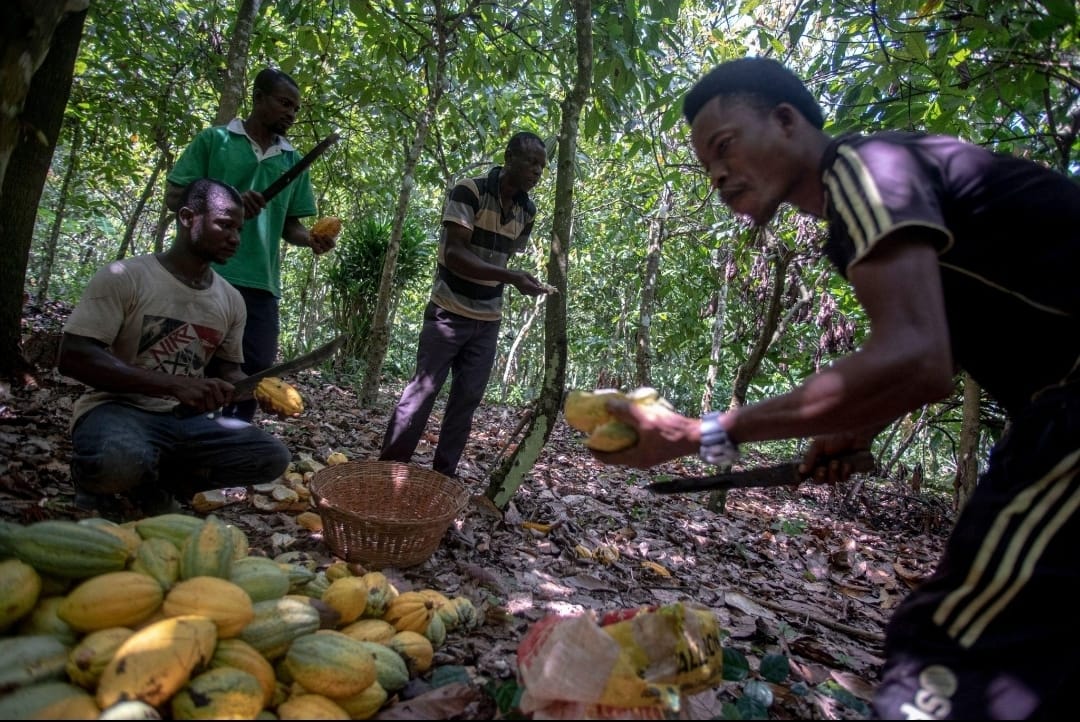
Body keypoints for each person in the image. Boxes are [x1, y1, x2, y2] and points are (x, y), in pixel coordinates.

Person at [592, 57, 1079, 719]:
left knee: (952, 651)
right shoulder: (865, 212)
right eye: (707, 166)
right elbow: (941, 345)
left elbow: (916, 356)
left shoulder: (863, 166)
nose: (718, 176)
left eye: (725, 146)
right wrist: (861, 423)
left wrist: (703, 433)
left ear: (787, 122)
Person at [59, 178, 292, 518]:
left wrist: (259, 392)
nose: (235, 239)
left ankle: (156, 486)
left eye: (239, 229)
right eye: (224, 226)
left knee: (270, 456)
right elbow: (73, 355)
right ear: (187, 218)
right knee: (117, 461)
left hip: (184, 420)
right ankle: (98, 483)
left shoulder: (230, 299)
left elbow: (228, 370)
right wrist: (174, 385)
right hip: (118, 408)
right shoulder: (126, 276)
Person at [165, 67, 335, 421]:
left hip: (260, 284)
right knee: (188, 368)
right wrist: (225, 202)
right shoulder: (216, 141)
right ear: (258, 98)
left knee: (251, 379)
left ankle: (225, 457)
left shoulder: (292, 161)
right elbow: (174, 195)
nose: (291, 113)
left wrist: (312, 241)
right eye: (284, 103)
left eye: (296, 108)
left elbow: (291, 227)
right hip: (204, 274)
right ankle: (174, 443)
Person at [380, 131, 551, 478]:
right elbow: (455, 254)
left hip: (487, 320)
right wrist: (511, 278)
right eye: (531, 163)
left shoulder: (527, 212)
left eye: (542, 166)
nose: (537, 172)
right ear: (509, 158)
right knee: (422, 392)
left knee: (467, 400)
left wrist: (518, 281)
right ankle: (388, 472)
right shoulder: (469, 191)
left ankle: (442, 477)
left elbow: (502, 257)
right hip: (448, 311)